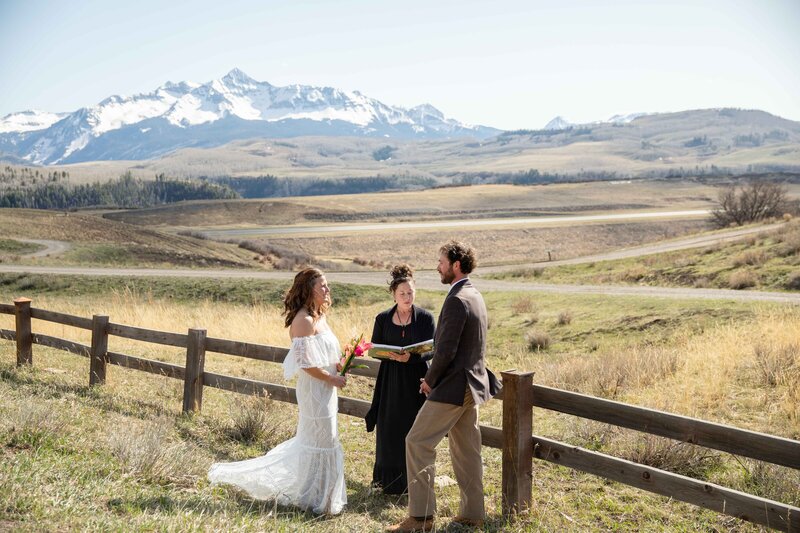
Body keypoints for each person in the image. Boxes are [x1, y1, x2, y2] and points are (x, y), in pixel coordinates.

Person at [208, 268, 348, 515]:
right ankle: (314, 499)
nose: (327, 290)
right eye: (322, 286)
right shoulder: (303, 321)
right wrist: (331, 378)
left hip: (327, 388)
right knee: (319, 441)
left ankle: (322, 497)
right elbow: (305, 364)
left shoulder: (320, 317)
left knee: (327, 439)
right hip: (315, 390)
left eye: (327, 285)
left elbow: (322, 354)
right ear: (308, 290)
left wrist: (338, 364)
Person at [388, 241, 501, 532]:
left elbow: (446, 351)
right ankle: (473, 513)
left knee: (417, 442)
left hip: (453, 386)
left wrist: (429, 381)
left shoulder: (456, 299)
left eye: (441, 261)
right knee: (467, 449)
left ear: (456, 265)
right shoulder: (474, 294)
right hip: (473, 385)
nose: (437, 266)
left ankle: (421, 518)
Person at [366, 264, 435, 495]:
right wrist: (388, 354)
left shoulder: (425, 317)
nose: (407, 297)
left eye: (410, 293)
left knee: (413, 427)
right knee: (389, 427)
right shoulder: (383, 318)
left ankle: (414, 482)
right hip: (390, 380)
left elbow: (432, 350)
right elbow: (374, 348)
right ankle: (387, 482)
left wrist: (411, 358)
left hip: (416, 379)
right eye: (402, 294)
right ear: (394, 295)